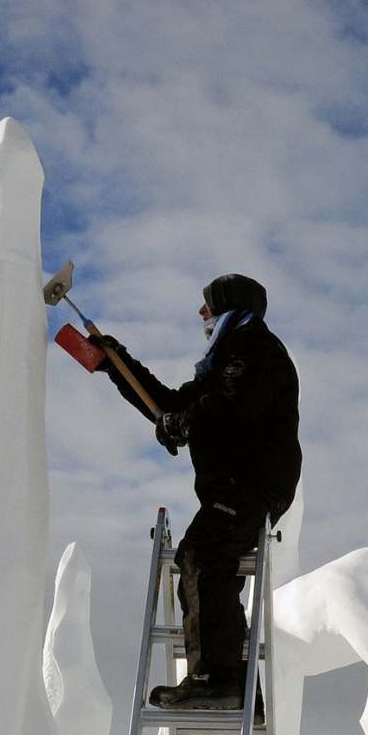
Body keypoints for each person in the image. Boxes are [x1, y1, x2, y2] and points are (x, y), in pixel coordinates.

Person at [95, 273, 300, 711]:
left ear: (231, 307)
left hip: (254, 484)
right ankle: (235, 683)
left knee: (203, 556)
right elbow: (171, 404)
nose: (200, 314)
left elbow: (230, 408)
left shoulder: (256, 349)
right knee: (203, 559)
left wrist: (185, 422)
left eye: (208, 305)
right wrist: (116, 363)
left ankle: (216, 678)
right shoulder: (223, 360)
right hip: (234, 487)